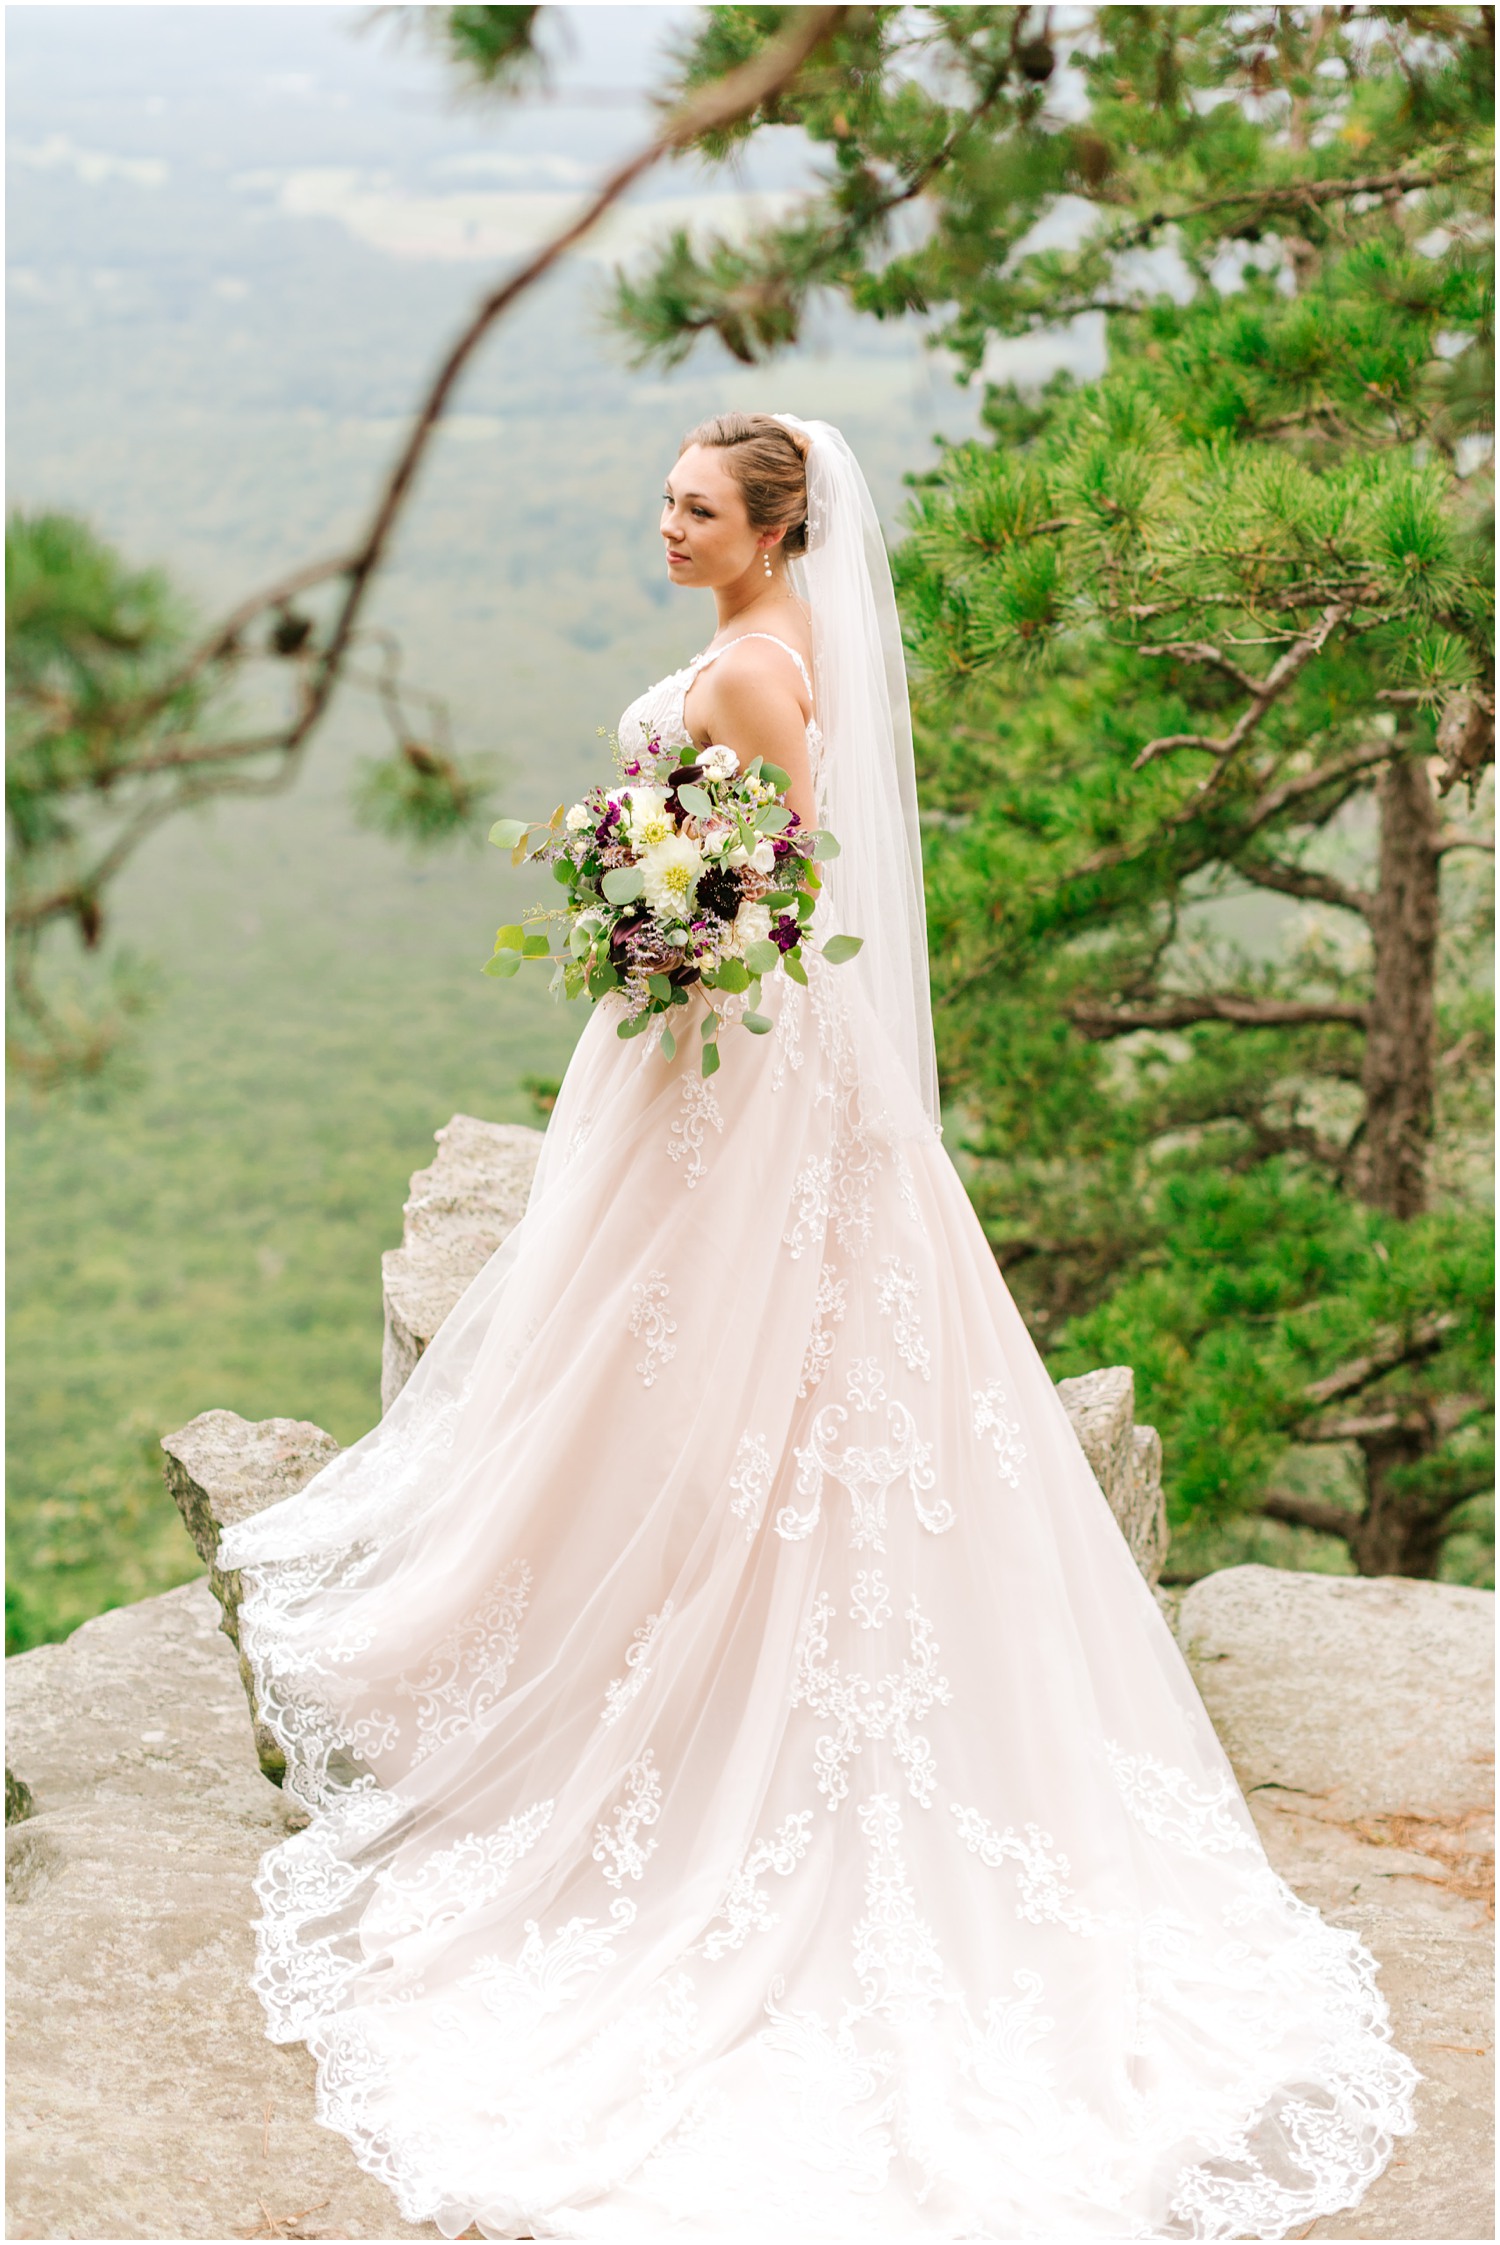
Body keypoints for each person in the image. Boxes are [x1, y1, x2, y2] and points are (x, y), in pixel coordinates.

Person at [218, 413, 1417, 2242]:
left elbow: (781, 899)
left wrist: (661, 923)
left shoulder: (762, 671)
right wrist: (647, 898)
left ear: (778, 529)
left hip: (737, 1066)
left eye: (700, 508)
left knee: (727, 1364)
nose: (669, 525)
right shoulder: (766, 643)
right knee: (638, 1356)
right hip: (696, 1055)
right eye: (668, 499)